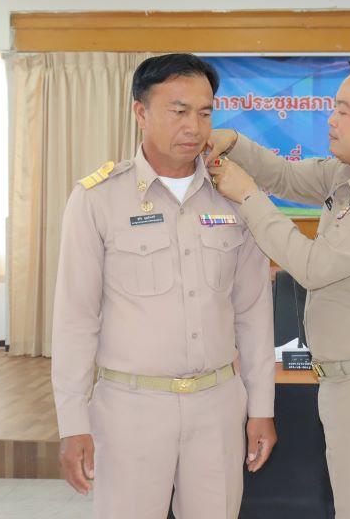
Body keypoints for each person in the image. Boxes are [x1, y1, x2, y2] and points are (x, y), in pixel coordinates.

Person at [205, 60, 350, 519]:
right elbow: (287, 177)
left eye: (344, 110)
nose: (331, 119)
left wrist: (248, 197)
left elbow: (314, 266)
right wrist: (236, 144)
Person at [51, 53, 277, 519]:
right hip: (131, 408)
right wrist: (72, 422)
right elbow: (75, 318)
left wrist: (262, 407)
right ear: (140, 112)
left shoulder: (235, 196)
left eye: (205, 112)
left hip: (217, 405)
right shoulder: (98, 199)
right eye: (179, 111)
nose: (194, 126)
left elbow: (253, 311)